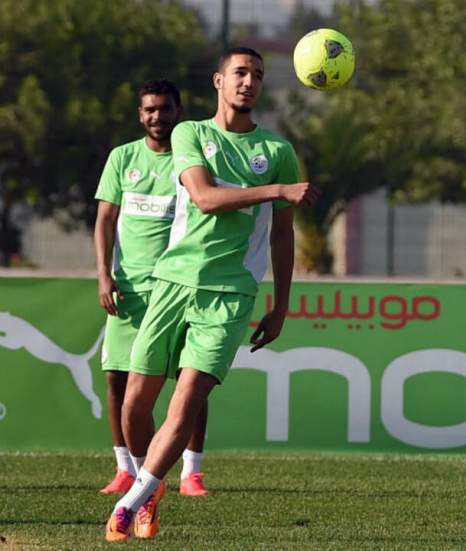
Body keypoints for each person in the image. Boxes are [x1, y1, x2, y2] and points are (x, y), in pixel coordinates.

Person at [104, 47, 321, 542]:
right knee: (135, 406)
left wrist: (281, 304)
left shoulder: (278, 152)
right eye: (240, 73)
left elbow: (281, 236)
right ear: (219, 81)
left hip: (229, 294)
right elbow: (204, 197)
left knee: (185, 403)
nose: (249, 82)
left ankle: (133, 500)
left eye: (258, 76)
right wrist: (276, 191)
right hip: (172, 282)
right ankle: (150, 484)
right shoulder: (191, 133)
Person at [94, 80, 211, 498]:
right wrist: (104, 275)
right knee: (116, 378)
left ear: (178, 110)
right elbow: (105, 219)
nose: (157, 117)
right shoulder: (123, 158)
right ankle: (126, 467)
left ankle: (191, 473)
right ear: (140, 114)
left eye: (164, 109)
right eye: (149, 110)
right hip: (128, 291)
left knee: (189, 379)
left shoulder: (191, 159)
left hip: (176, 288)